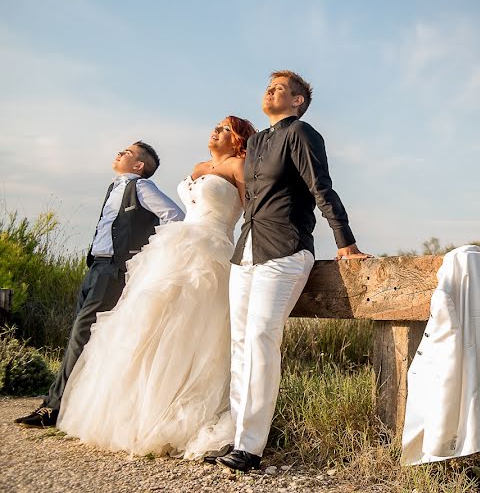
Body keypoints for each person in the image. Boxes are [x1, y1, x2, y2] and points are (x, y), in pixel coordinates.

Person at [51, 117, 257, 458]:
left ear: (238, 140)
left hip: (212, 250)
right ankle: (135, 413)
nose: (216, 131)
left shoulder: (240, 166)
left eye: (225, 129)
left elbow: (253, 211)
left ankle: (185, 412)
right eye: (216, 126)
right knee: (149, 322)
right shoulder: (199, 165)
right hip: (174, 247)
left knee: (194, 330)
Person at [210, 70, 367, 472]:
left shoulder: (302, 134)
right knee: (240, 344)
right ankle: (236, 435)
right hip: (246, 251)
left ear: (298, 101)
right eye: (268, 86)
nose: (270, 91)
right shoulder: (259, 141)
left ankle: (251, 446)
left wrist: (344, 241)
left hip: (284, 250)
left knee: (262, 338)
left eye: (280, 88)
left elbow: (322, 188)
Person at [15, 141, 184, 428]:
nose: (120, 153)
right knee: (79, 335)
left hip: (113, 272)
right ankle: (67, 404)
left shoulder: (141, 188)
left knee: (82, 335)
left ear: (138, 166)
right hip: (95, 267)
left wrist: (146, 255)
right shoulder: (113, 188)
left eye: (127, 152)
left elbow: (175, 217)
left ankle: (53, 409)